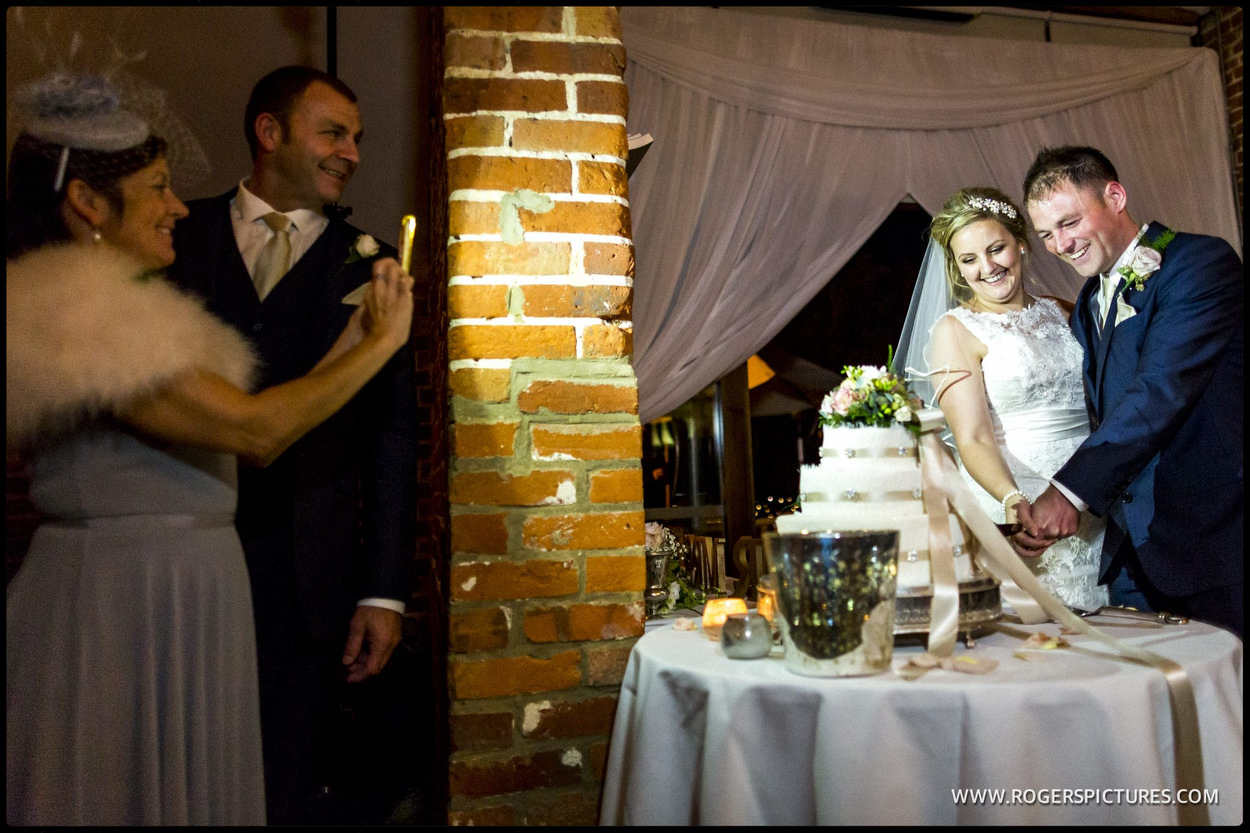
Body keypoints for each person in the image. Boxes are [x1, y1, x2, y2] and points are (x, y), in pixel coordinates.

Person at [5, 72, 414, 825]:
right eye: (157, 188)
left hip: (201, 589)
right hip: (125, 603)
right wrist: (380, 341)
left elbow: (367, 433)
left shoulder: (110, 299)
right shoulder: (85, 318)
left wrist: (359, 335)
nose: (175, 205)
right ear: (88, 204)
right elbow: (255, 429)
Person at [167, 66, 418, 824]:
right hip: (179, 558)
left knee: (289, 779)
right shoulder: (176, 237)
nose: (352, 153)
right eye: (333, 133)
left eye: (359, 139)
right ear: (269, 133)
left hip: (315, 576)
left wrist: (382, 590)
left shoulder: (372, 261)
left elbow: (392, 433)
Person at [1018, 146, 1242, 637]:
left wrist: (1067, 493)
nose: (1061, 244)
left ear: (1114, 196)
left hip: (1211, 538)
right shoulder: (1087, 302)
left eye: (1070, 222)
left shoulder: (1199, 264)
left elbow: (1159, 392)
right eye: (1047, 234)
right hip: (1130, 552)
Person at [898, 186, 1109, 610]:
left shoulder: (1067, 311)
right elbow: (973, 437)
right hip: (1020, 507)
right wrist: (1012, 501)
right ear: (957, 267)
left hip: (1090, 497)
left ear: (1021, 244)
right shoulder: (955, 331)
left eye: (997, 249)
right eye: (969, 259)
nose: (987, 268)